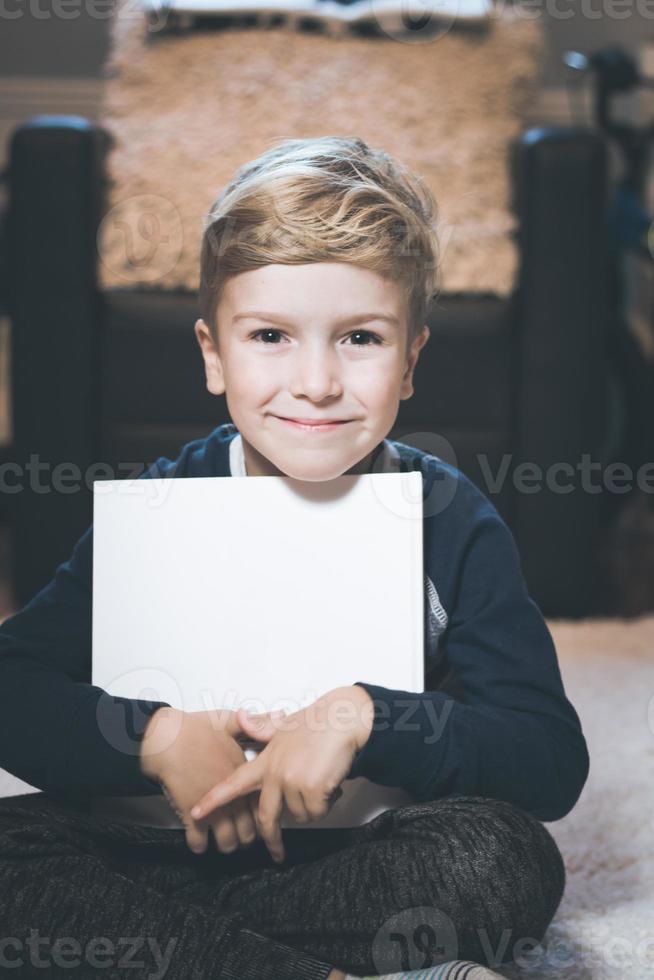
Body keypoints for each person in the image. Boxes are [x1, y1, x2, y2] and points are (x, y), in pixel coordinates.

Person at [0, 135, 588, 980]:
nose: (315, 382)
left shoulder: (450, 516)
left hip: (363, 855)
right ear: (214, 354)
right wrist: (152, 738)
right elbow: (13, 683)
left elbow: (546, 758)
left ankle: (196, 959)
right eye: (271, 335)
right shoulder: (168, 497)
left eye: (360, 339)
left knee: (506, 861)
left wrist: (367, 718)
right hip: (155, 845)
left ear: (412, 360)